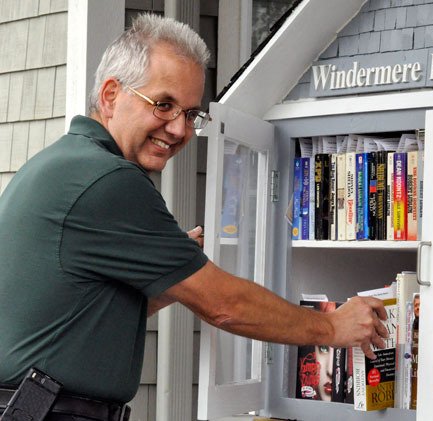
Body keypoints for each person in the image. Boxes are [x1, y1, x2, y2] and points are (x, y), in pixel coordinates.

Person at [0, 13, 387, 421]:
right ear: (111, 95)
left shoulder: (64, 164)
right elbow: (225, 305)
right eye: (163, 105)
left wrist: (167, 284)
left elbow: (76, 312)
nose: (178, 129)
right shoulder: (108, 180)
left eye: (189, 114)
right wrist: (332, 328)